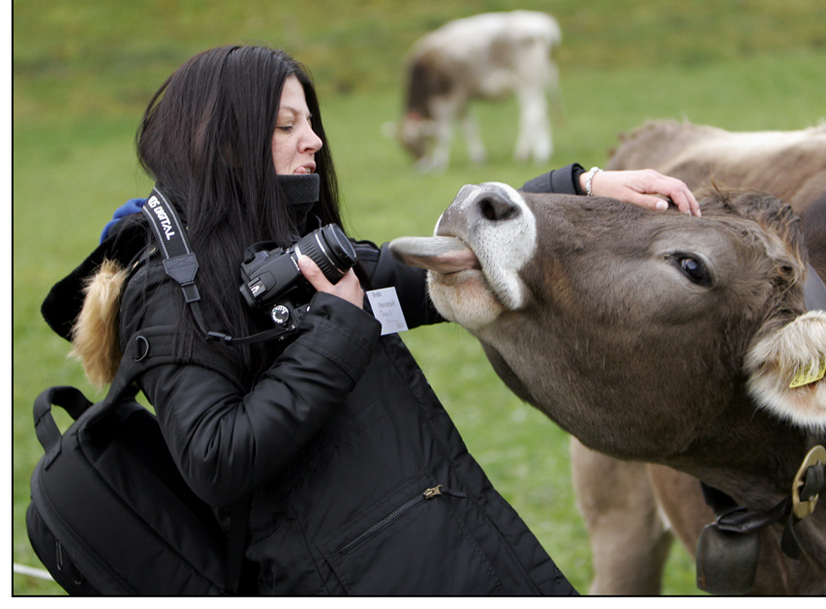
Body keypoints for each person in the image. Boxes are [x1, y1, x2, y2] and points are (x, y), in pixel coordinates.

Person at [44, 45, 698, 595]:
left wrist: (580, 189)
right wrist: (335, 325)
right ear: (223, 141)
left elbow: (424, 270)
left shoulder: (279, 245)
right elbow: (215, 456)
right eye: (285, 125)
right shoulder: (167, 288)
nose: (315, 140)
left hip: (443, 544)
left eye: (309, 121)